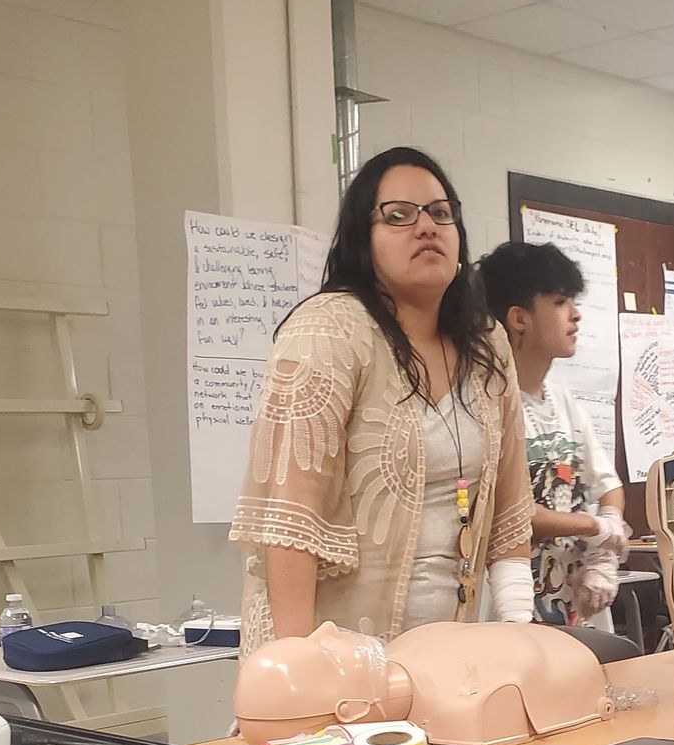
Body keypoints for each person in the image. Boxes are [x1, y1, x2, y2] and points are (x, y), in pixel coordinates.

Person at [230, 146, 535, 649]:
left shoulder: (488, 342)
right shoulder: (328, 331)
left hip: (448, 657)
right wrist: (299, 663)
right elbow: (290, 520)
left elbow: (510, 505)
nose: (426, 227)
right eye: (398, 216)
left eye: (441, 213)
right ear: (362, 239)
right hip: (333, 652)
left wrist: (518, 630)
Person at [476, 240, 629, 627]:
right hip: (513, 605)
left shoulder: (563, 401)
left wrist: (603, 558)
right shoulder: (487, 405)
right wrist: (597, 527)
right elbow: (511, 513)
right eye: (560, 302)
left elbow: (607, 485)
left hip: (577, 603)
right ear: (519, 318)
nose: (576, 316)